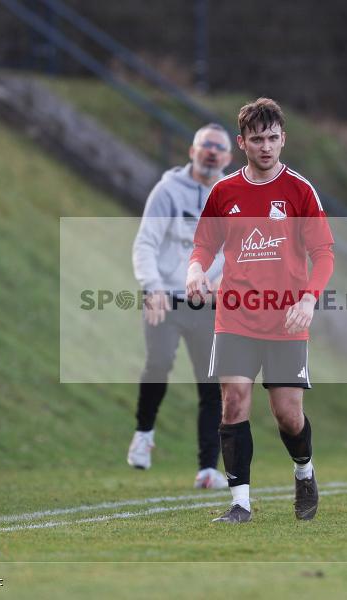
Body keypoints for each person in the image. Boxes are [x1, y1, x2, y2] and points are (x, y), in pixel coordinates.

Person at [187, 98, 335, 523]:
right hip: (235, 315)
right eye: (257, 140)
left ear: (283, 139)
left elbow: (324, 254)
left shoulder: (300, 191)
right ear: (242, 143)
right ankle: (240, 504)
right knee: (233, 403)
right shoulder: (224, 192)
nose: (266, 146)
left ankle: (304, 471)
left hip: (286, 319)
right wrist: (195, 269)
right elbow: (204, 244)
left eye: (272, 138)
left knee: (287, 415)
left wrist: (308, 299)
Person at [129, 124, 233, 489]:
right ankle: (143, 435)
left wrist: (224, 282)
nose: (212, 152)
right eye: (206, 145)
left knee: (212, 384)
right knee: (158, 363)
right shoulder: (167, 191)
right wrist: (152, 287)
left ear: (228, 157)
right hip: (167, 298)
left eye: (219, 148)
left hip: (207, 302)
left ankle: (207, 469)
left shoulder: (232, 196)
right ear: (192, 151)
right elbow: (145, 242)